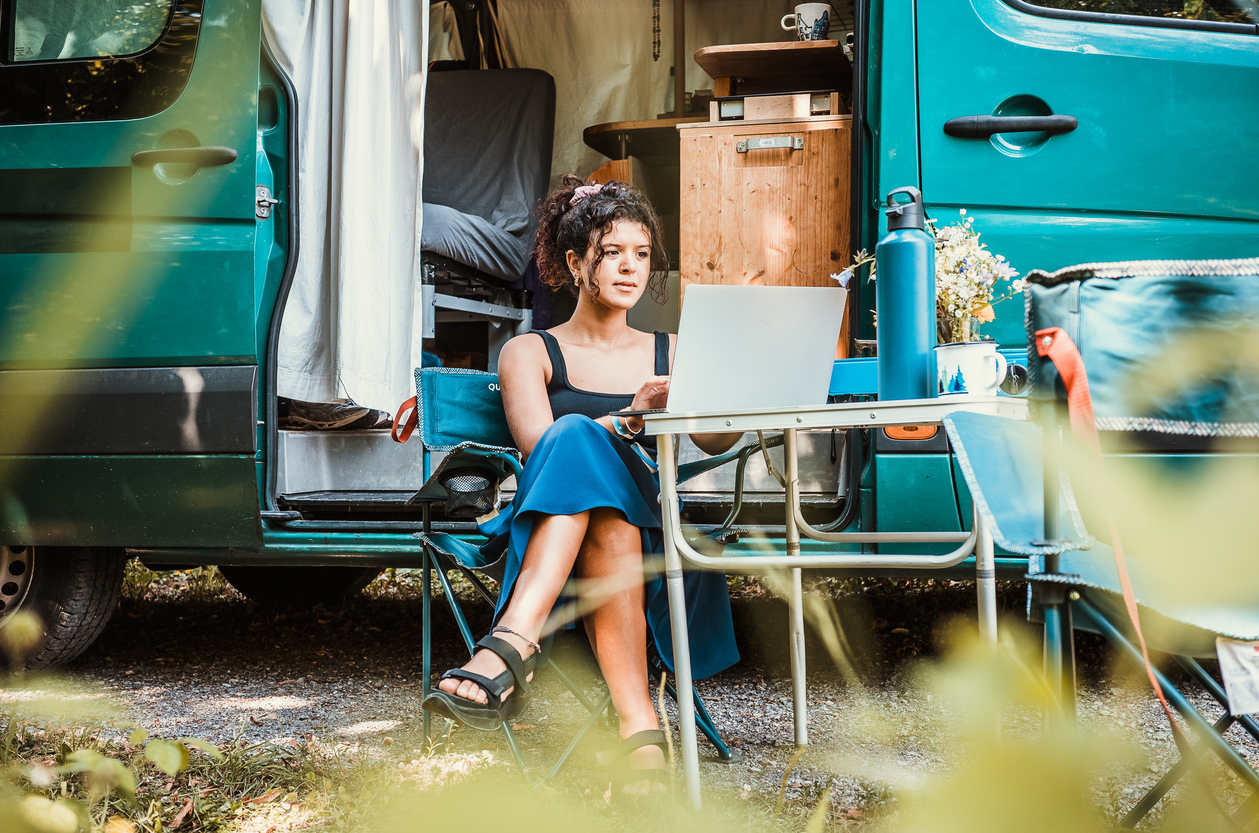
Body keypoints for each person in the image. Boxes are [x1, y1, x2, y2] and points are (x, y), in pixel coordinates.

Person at [422, 175, 741, 797]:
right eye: (611, 252)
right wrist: (626, 417)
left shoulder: (671, 350)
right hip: (568, 525)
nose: (630, 268)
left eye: (642, 254)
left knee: (604, 484)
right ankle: (639, 728)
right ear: (574, 264)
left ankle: (513, 641)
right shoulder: (529, 352)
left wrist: (722, 388)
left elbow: (716, 445)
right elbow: (544, 453)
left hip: (657, 531)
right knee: (589, 478)